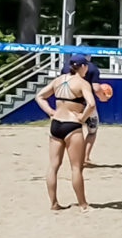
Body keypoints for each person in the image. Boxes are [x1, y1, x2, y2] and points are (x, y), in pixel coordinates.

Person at [35, 54, 97, 211]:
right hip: (72, 125)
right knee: (76, 168)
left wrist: (50, 111)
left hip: (56, 124)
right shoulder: (83, 83)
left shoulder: (58, 80)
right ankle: (83, 205)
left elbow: (39, 96)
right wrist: (82, 117)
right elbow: (91, 104)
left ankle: (54, 203)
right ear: (83, 67)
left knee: (53, 166)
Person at [60, 53, 104, 167]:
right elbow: (96, 88)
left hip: (68, 104)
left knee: (69, 132)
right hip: (85, 104)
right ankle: (85, 157)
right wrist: (102, 96)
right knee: (92, 132)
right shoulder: (92, 68)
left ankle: (73, 157)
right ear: (87, 57)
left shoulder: (66, 67)